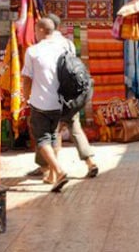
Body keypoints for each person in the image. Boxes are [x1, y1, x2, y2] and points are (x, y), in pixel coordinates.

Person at [29, 14, 99, 180]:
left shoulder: (43, 47)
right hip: (71, 96)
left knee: (50, 133)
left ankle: (51, 169)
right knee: (75, 128)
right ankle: (90, 162)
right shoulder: (67, 43)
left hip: (53, 97)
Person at [20, 17, 70, 191]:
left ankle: (59, 171)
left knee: (42, 139)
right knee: (54, 136)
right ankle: (52, 176)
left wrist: (26, 98)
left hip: (40, 102)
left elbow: (27, 79)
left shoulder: (33, 51)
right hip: (59, 102)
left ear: (41, 30)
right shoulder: (62, 48)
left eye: (35, 30)